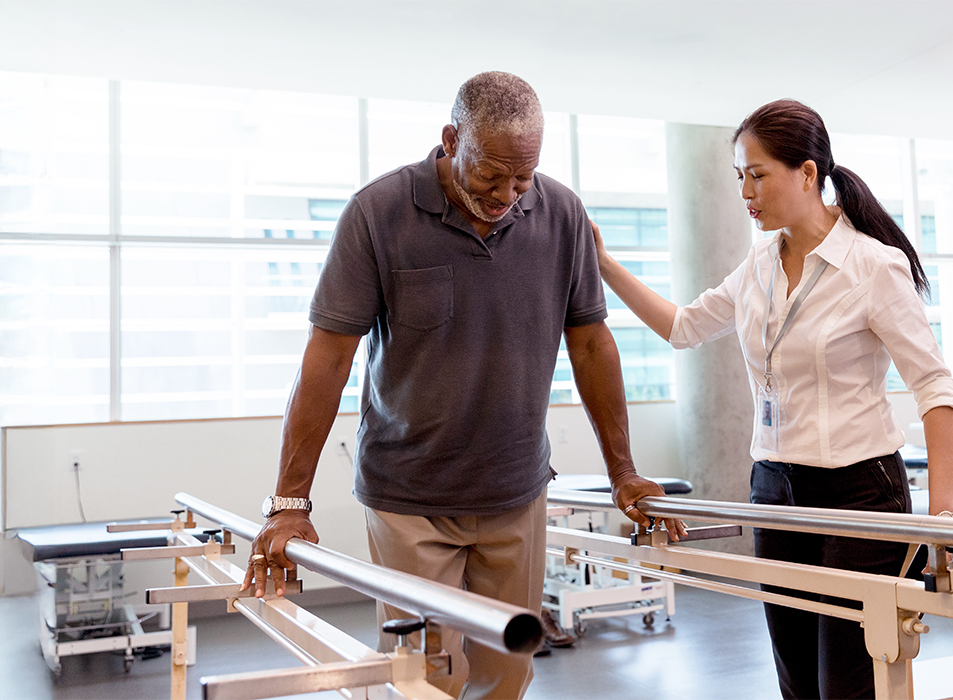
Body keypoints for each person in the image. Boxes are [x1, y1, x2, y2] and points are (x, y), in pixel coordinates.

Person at [240, 71, 683, 700]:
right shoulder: (378, 212)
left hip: (515, 491)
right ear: (451, 139)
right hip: (410, 497)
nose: (506, 194)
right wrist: (290, 503)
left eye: (522, 178)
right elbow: (328, 357)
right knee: (425, 676)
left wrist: (624, 470)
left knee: (508, 673)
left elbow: (590, 342)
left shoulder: (561, 215)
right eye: (491, 175)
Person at [593, 98, 953, 700]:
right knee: (796, 683)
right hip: (774, 488)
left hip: (859, 493)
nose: (745, 191)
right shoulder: (758, 265)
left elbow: (934, 387)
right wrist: (604, 264)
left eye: (757, 174)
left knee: (846, 685)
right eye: (739, 175)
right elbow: (683, 326)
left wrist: (941, 516)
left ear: (808, 173)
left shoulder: (872, 265)